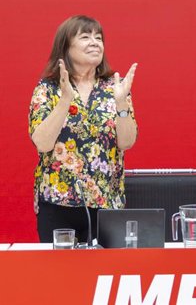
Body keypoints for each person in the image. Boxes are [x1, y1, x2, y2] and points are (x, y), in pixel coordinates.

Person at [29, 15, 138, 244]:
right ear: (66, 47)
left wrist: (120, 104)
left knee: (105, 275)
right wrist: (65, 100)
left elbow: (126, 142)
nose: (95, 42)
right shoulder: (48, 88)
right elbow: (42, 143)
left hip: (107, 203)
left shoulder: (114, 88)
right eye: (86, 37)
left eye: (99, 38)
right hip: (58, 204)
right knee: (61, 277)